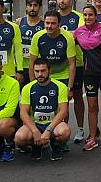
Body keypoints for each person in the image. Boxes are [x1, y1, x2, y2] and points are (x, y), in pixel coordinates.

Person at [74, 5, 101, 157]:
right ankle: (93, 138)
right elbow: (64, 38)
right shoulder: (79, 32)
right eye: (85, 15)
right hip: (89, 74)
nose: (87, 18)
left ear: (95, 16)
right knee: (92, 107)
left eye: (90, 15)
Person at [29, 11, 76, 148]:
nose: (49, 26)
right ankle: (39, 135)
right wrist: (33, 84)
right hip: (43, 74)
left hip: (62, 75)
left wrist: (70, 87)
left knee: (63, 108)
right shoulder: (38, 37)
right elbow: (32, 62)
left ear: (59, 24)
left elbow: (72, 63)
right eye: (47, 23)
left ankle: (60, 140)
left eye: (53, 23)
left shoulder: (67, 37)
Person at [15, 59, 70, 161]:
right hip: (35, 124)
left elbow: (63, 111)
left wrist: (48, 130)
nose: (40, 74)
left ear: (49, 70)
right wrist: (35, 131)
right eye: (37, 71)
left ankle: (55, 145)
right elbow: (23, 113)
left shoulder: (60, 86)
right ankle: (36, 146)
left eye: (43, 71)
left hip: (53, 124)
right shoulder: (27, 88)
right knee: (19, 138)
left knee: (65, 132)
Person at [57, 0, 86, 144]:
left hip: (77, 63)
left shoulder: (78, 17)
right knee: (61, 99)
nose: (62, 1)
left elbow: (79, 37)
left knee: (77, 95)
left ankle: (80, 129)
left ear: (70, 0)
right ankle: (63, 129)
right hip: (56, 65)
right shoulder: (53, 17)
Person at [16, 0, 44, 87]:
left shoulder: (44, 24)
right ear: (26, 7)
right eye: (30, 5)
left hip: (38, 67)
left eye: (35, 5)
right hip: (22, 67)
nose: (32, 8)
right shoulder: (19, 22)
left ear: (39, 7)